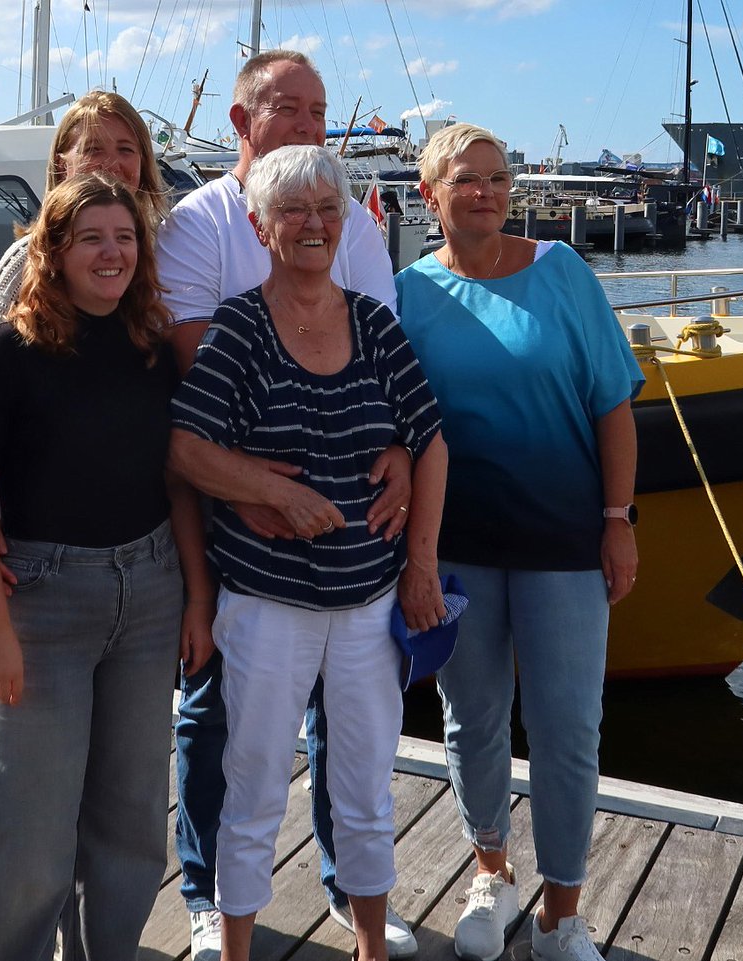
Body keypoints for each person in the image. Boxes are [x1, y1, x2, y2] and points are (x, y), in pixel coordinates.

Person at [156, 50, 418, 961]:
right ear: (242, 123)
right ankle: (210, 903)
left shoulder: (355, 242)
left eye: (318, 108)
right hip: (248, 549)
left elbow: (398, 388)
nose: (309, 123)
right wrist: (275, 481)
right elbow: (195, 391)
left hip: (358, 574)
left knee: (360, 764)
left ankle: (357, 905)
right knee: (229, 741)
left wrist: (403, 461)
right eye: (287, 109)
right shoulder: (199, 229)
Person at [0, 91, 174, 961]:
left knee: (134, 826)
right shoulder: (11, 346)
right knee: (24, 842)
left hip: (147, 594)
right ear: (55, 250)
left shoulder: (149, 337)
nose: (111, 252)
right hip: (44, 598)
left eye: (125, 237)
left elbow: (172, 472)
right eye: (91, 238)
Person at [394, 123, 643, 961]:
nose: (485, 192)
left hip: (564, 540)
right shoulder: (407, 292)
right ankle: (490, 875)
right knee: (472, 718)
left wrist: (618, 520)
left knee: (569, 725)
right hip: (457, 544)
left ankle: (561, 914)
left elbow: (613, 402)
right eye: (465, 180)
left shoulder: (562, 272)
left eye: (497, 178)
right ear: (428, 195)